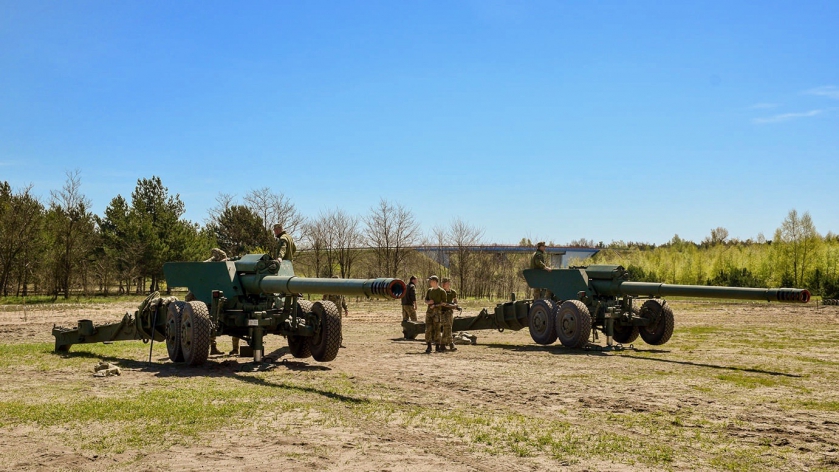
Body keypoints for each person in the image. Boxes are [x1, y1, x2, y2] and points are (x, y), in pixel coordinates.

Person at [187, 248, 229, 355]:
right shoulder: (208, 267)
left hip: (208, 300)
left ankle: (213, 347)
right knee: (207, 324)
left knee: (210, 324)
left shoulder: (209, 267)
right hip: (201, 301)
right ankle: (208, 348)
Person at [424, 275, 447, 353]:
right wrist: (428, 302)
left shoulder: (442, 291)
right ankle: (429, 346)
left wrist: (435, 305)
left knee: (437, 329)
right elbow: (425, 300)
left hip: (437, 313)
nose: (430, 282)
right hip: (429, 312)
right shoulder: (429, 290)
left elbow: (444, 303)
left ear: (435, 281)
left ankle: (437, 346)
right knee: (428, 329)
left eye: (431, 281)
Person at [440, 278, 458, 352]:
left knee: (446, 328)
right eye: (443, 283)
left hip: (450, 312)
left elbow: (456, 302)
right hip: (442, 312)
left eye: (445, 283)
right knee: (448, 327)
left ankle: (442, 345)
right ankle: (451, 344)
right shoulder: (440, 292)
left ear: (449, 284)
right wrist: (451, 305)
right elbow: (442, 303)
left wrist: (454, 306)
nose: (444, 284)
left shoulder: (453, 292)